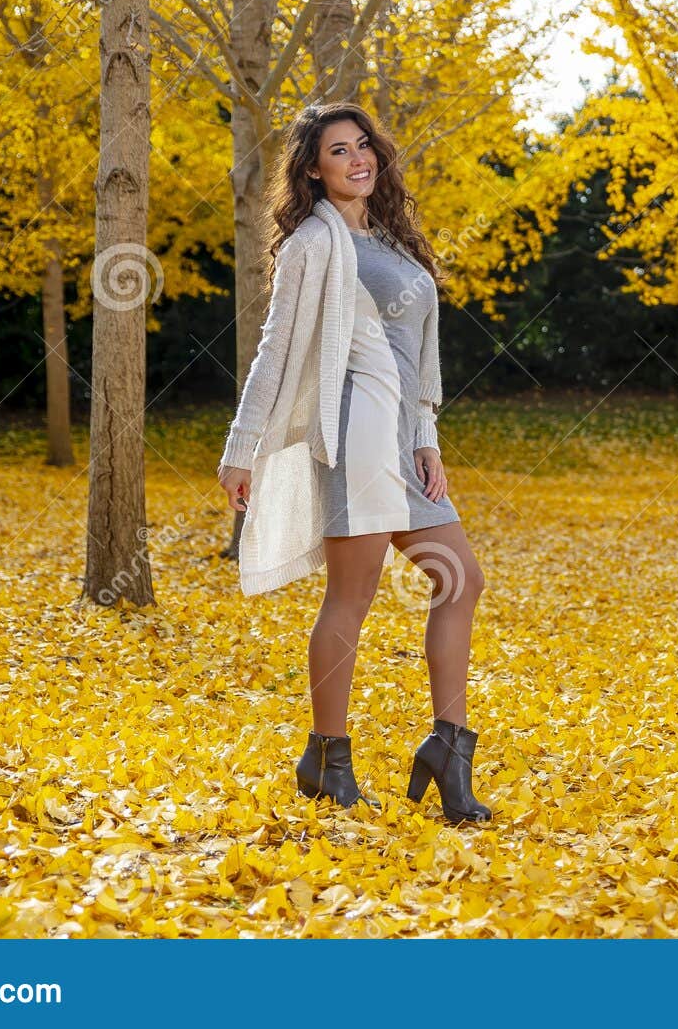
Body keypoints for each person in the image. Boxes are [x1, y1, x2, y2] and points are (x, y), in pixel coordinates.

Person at [216, 102, 491, 824]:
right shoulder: (316, 240)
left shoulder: (393, 239)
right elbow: (276, 347)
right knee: (354, 596)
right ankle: (327, 758)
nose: (358, 158)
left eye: (363, 145)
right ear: (314, 168)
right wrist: (241, 449)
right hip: (357, 435)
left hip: (402, 440)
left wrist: (426, 436)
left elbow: (417, 352)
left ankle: (449, 749)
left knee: (459, 577)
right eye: (340, 151)